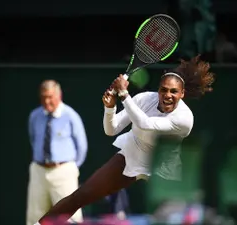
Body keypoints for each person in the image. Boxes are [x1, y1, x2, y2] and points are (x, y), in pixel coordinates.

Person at [35, 56, 215, 225]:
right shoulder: (144, 99)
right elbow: (111, 129)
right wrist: (110, 107)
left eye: (174, 91)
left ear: (182, 94)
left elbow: (145, 124)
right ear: (158, 90)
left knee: (167, 218)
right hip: (133, 153)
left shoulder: (185, 119)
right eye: (164, 90)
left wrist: (123, 94)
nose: (168, 95)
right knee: (82, 195)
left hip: (162, 167)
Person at [26, 80, 88, 225]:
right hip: (38, 171)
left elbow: (82, 147)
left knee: (70, 217)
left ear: (59, 95)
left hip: (63, 170)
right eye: (43, 97)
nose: (47, 101)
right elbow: (33, 139)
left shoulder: (70, 115)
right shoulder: (35, 116)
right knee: (35, 217)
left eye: (50, 96)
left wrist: (69, 167)